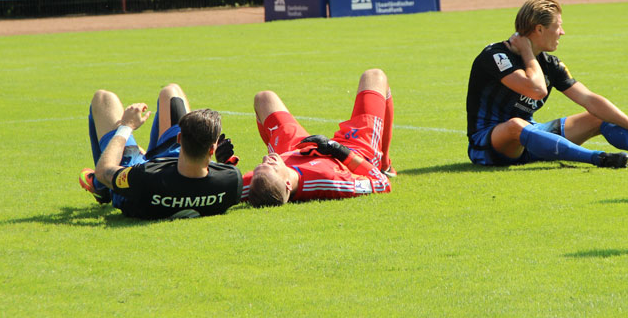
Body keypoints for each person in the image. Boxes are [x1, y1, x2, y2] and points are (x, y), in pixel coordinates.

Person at [466, 0, 628, 169]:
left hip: (534, 138)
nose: (562, 33)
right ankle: (596, 157)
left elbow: (589, 99)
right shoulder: (496, 56)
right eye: (558, 26)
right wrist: (527, 53)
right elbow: (536, 89)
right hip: (489, 144)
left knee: (599, 117)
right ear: (539, 29)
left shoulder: (550, 63)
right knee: (516, 125)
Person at [78, 83, 243, 219]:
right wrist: (223, 163)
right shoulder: (231, 180)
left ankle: (102, 189)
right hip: (169, 166)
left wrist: (126, 126)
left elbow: (103, 170)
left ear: (179, 139)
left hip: (142, 180)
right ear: (212, 149)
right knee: (171, 92)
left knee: (104, 99)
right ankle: (141, 154)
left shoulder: (143, 176)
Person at [241, 69, 395, 207]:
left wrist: (226, 165)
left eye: (260, 165)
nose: (266, 159)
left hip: (293, 150)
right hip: (352, 151)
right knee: (374, 76)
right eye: (271, 166)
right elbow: (381, 183)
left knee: (264, 98)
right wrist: (338, 149)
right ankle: (384, 163)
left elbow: (219, 187)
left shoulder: (259, 180)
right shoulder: (328, 181)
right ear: (288, 184)